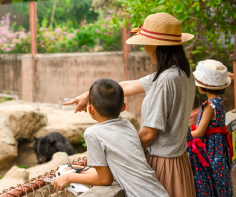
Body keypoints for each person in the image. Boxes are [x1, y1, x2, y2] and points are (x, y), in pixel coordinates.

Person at [63, 12, 197, 196]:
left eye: (145, 43)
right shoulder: (182, 72)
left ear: (156, 45)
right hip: (179, 161)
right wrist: (89, 94)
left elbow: (149, 134)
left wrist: (116, 159)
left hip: (163, 163)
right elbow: (128, 85)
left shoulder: (166, 80)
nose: (144, 47)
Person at [52, 78, 169, 197]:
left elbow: (105, 179)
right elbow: (120, 168)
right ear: (123, 107)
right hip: (158, 191)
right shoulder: (128, 125)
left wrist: (68, 177)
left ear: (90, 109)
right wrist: (82, 170)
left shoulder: (92, 133)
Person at [190, 59, 233, 196]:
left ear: (203, 86)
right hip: (220, 145)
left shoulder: (210, 105)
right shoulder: (219, 102)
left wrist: (184, 136)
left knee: (212, 176)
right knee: (221, 175)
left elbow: (200, 132)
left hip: (211, 147)